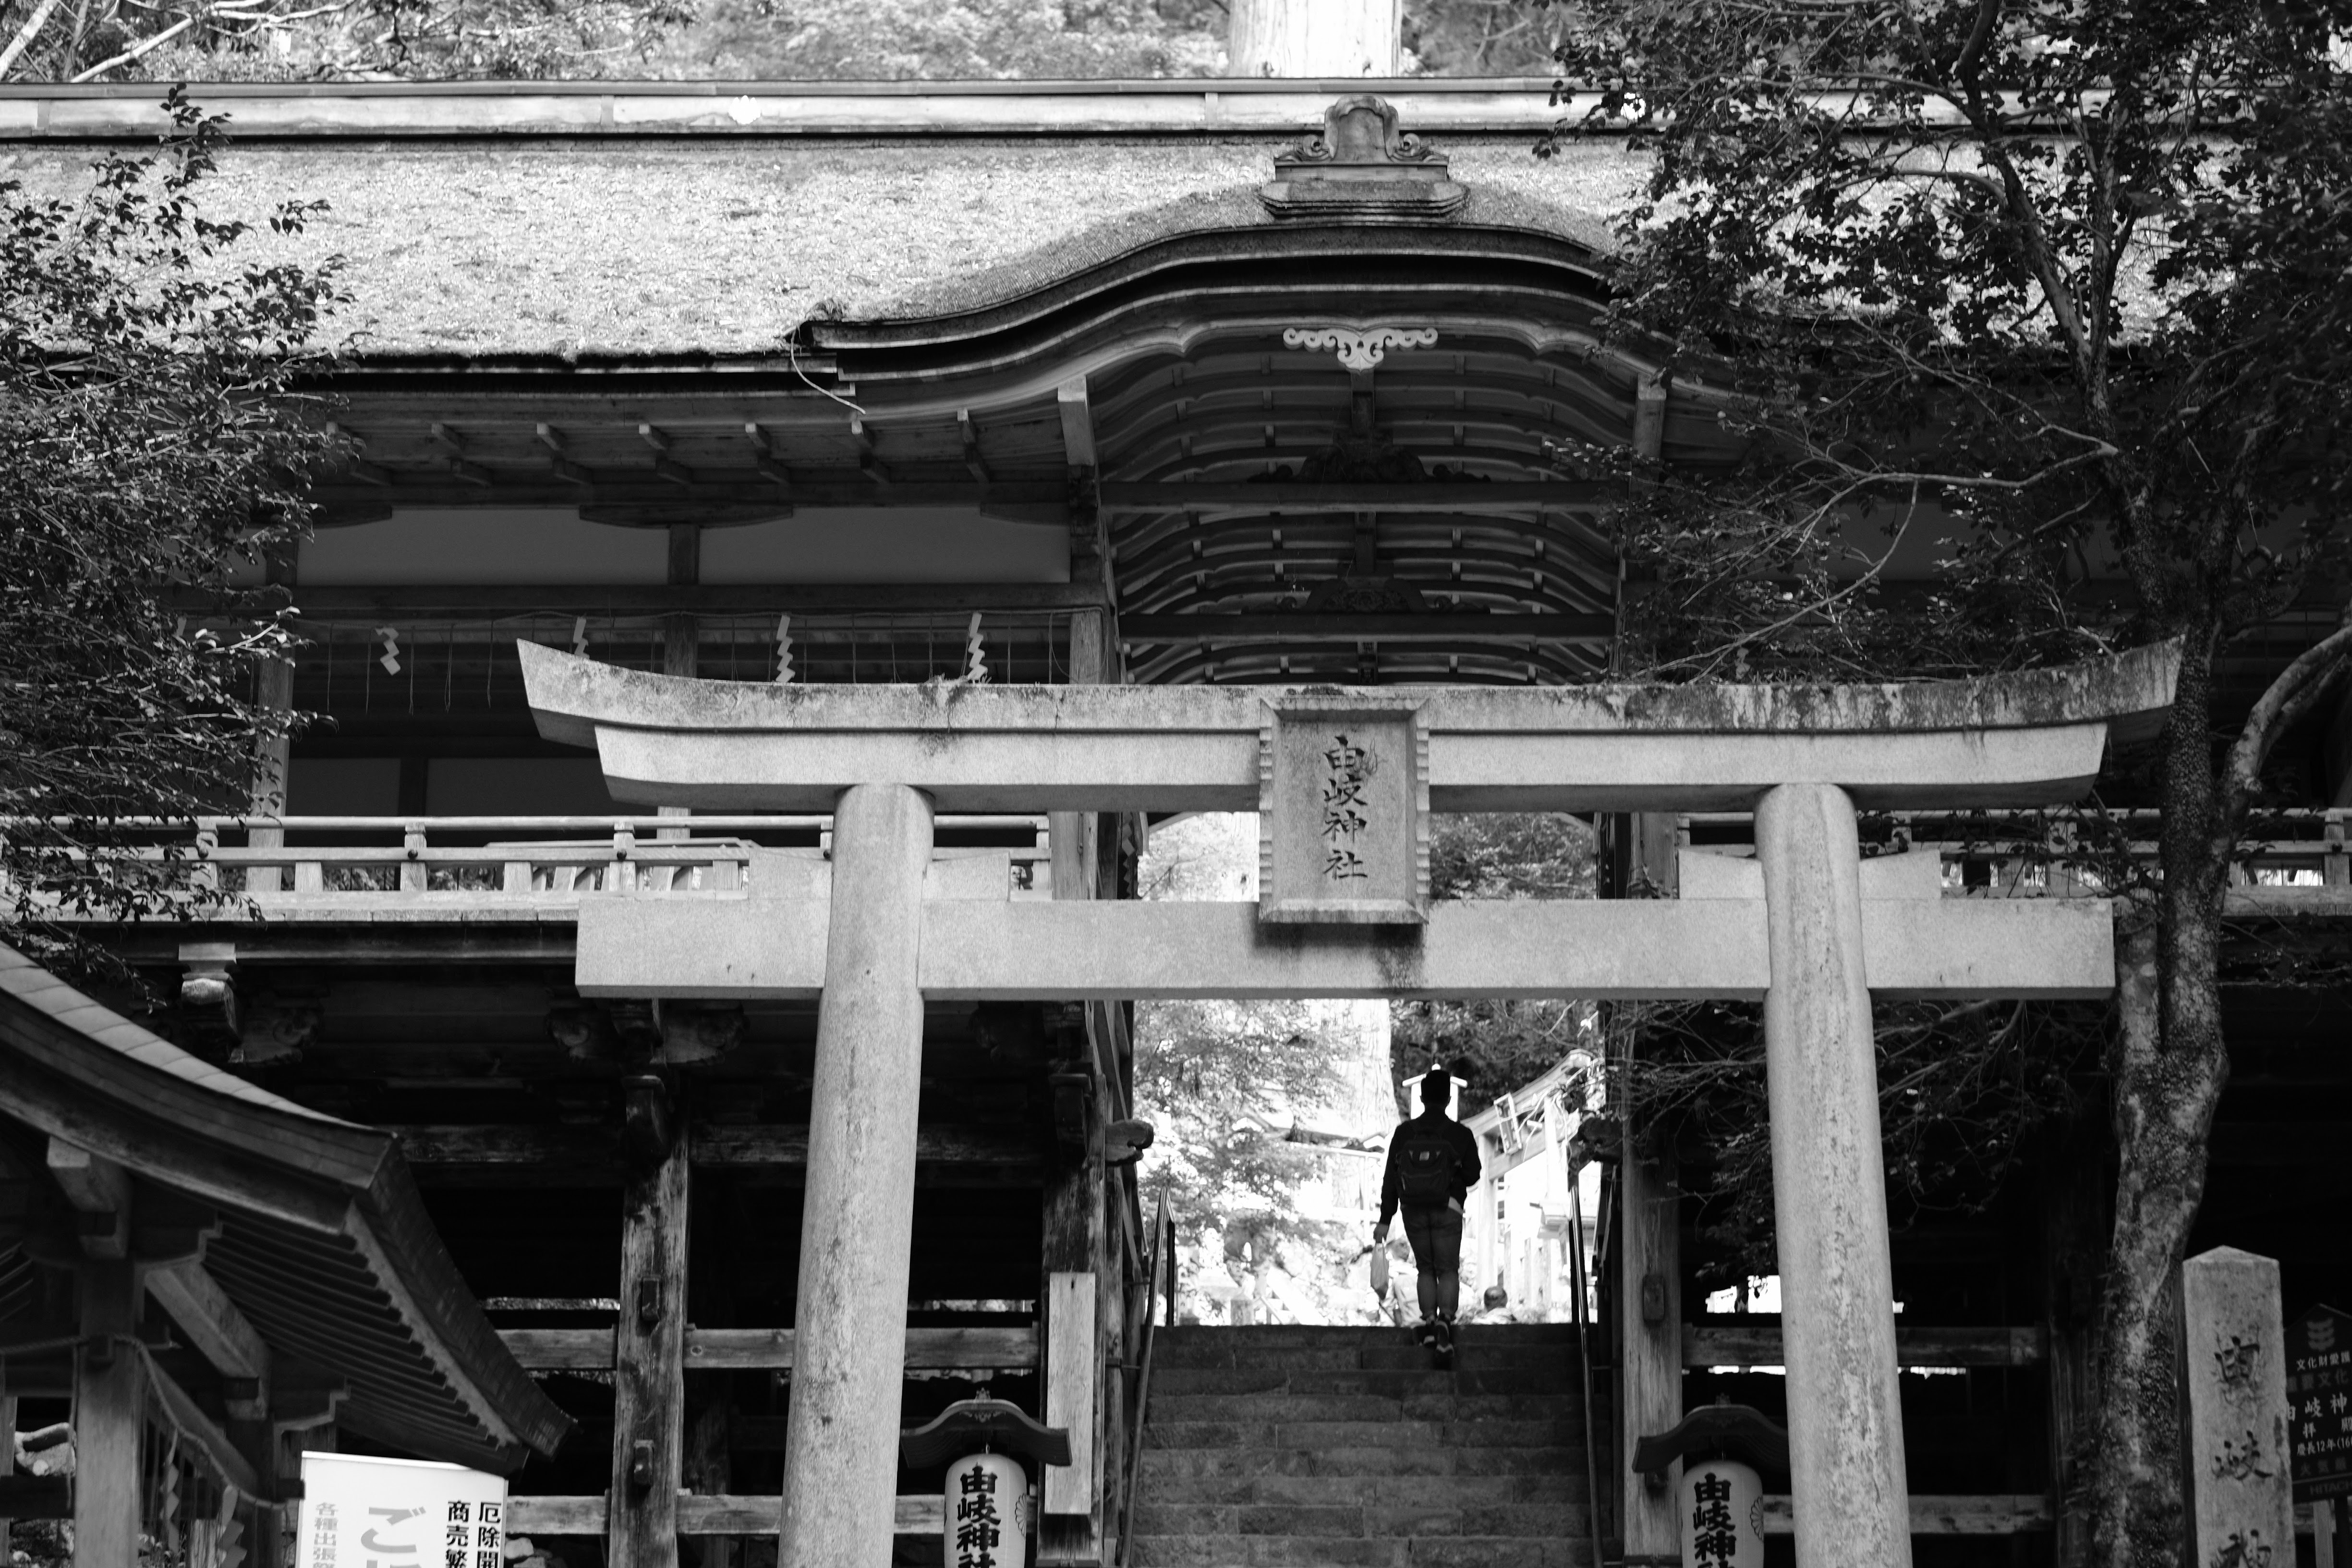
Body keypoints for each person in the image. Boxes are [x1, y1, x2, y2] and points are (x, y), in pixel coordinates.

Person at [1373, 1064, 1483, 1356]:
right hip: (1448, 1208)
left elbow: (1391, 1179)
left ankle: (1429, 1323)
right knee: (1447, 1268)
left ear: (1422, 1098)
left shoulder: (1404, 1133)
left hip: (1413, 1210)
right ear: (1448, 1099)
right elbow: (1473, 1175)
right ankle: (1445, 1321)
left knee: (1425, 1268)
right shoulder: (1460, 1134)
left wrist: (1385, 1219)